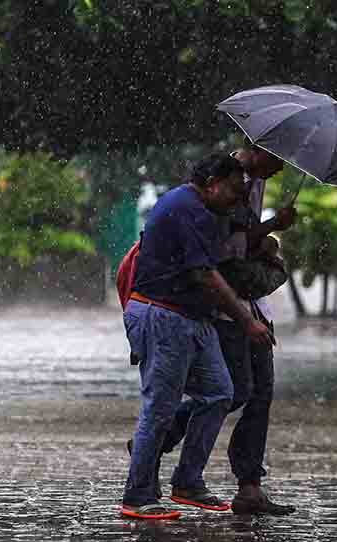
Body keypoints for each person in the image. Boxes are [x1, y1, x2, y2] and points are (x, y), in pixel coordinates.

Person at [121, 153, 273, 520]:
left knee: (222, 392)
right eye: (234, 192)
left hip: (192, 318)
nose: (237, 200)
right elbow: (205, 274)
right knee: (159, 406)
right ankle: (137, 497)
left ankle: (187, 481)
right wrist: (246, 321)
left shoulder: (206, 211)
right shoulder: (186, 207)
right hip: (163, 316)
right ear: (212, 183)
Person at [158, 140, 297, 516]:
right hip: (227, 306)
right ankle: (160, 437)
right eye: (278, 158)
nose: (282, 168)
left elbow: (243, 245)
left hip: (253, 302)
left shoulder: (256, 181)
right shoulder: (223, 182)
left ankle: (249, 487)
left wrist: (267, 237)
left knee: (261, 393)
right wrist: (270, 228)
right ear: (257, 148)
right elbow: (221, 248)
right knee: (233, 391)